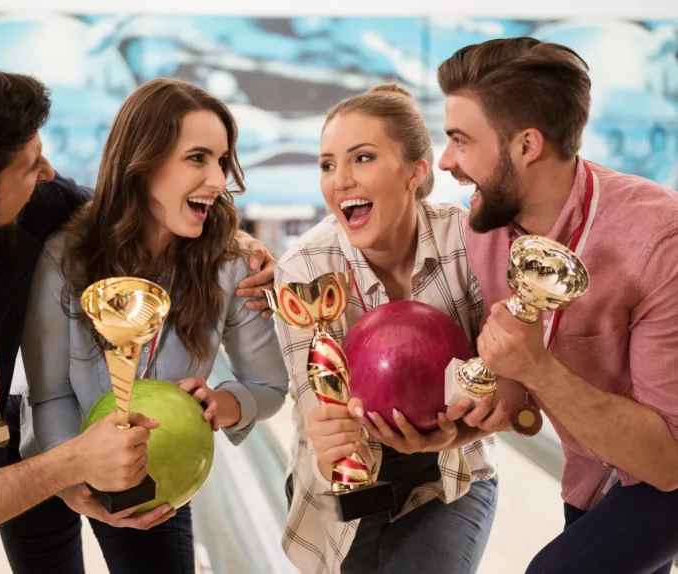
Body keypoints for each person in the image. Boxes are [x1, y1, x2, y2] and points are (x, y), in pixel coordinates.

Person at [0, 64, 277, 574]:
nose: (49, 175)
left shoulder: (29, 209)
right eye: (31, 165)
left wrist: (233, 244)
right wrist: (72, 464)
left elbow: (120, 217)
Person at [14, 78, 290, 574]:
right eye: (197, 158)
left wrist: (222, 404)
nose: (217, 179)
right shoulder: (66, 257)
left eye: (222, 161)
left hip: (151, 469)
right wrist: (69, 476)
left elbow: (269, 385)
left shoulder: (233, 264)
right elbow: (51, 394)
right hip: (49, 455)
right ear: (143, 163)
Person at [437, 37, 678, 574]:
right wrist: (485, 408)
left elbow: (667, 461)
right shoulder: (488, 230)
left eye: (460, 140)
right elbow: (519, 385)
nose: (445, 160)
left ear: (526, 146)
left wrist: (533, 368)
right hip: (592, 468)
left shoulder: (659, 239)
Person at [273, 84, 498, 574]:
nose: (340, 180)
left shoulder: (470, 240)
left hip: (451, 470)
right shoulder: (303, 269)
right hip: (344, 479)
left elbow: (505, 378)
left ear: (417, 171)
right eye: (328, 165)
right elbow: (316, 400)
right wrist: (331, 435)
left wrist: (456, 429)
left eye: (363, 158)